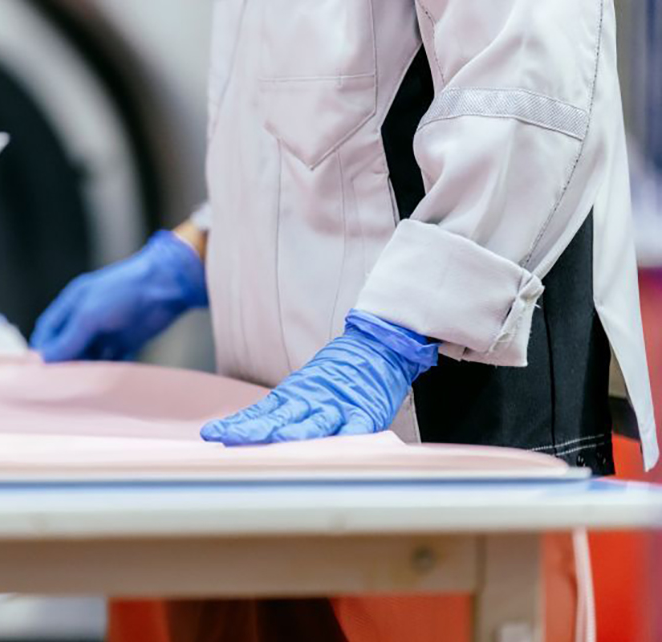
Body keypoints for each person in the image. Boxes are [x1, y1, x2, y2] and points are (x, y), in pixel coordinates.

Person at [32, 1, 657, 640]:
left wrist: (393, 338)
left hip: (439, 427)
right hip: (276, 440)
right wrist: (204, 247)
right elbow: (323, 122)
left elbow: (529, 100)